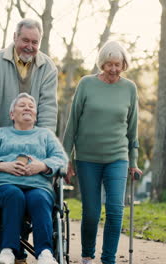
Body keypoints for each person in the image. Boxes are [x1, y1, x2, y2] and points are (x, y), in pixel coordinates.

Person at [62, 41, 143, 264]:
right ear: (102, 64)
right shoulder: (86, 84)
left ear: (124, 64)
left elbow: (133, 128)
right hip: (87, 158)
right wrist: (65, 158)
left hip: (117, 157)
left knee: (116, 210)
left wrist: (133, 161)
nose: (113, 69)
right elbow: (72, 124)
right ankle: (88, 255)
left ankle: (109, 260)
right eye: (109, 64)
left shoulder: (129, 88)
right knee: (91, 212)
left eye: (118, 64)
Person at [0, 93, 67, 264]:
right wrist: (2, 165)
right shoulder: (0, 134)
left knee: (39, 198)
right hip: (3, 185)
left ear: (35, 114)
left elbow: (61, 159)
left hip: (38, 186)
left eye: (31, 106)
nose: (27, 108)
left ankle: (45, 253)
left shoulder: (45, 135)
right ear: (12, 114)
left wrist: (43, 166)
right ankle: (8, 251)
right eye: (22, 105)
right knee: (14, 195)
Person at [0, 18, 58, 144]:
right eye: (25, 40)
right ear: (15, 37)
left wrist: (43, 144)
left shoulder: (48, 69)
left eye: (35, 42)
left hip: (33, 144)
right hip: (0, 141)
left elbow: (48, 110)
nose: (29, 47)